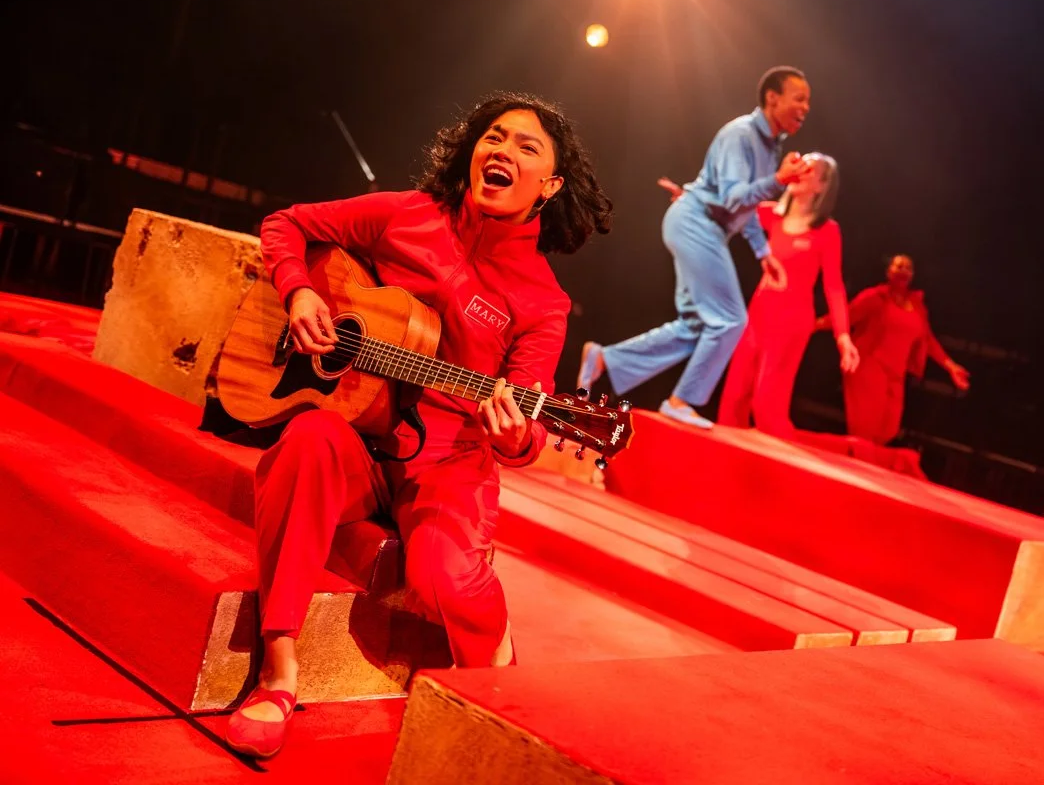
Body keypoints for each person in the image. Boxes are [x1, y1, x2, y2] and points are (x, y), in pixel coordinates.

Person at [224, 92, 612, 758]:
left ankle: (495, 662)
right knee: (306, 440)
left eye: (527, 147)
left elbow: (529, 428)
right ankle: (278, 669)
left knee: (441, 575)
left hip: (447, 462)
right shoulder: (406, 215)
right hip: (353, 433)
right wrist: (302, 291)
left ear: (548, 187)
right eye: (495, 136)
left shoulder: (542, 300)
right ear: (471, 151)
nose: (503, 151)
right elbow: (286, 224)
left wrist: (514, 432)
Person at [577, 66, 814, 429]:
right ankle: (680, 400)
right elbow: (736, 197)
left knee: (695, 326)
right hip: (695, 223)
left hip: (704, 228)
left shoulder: (770, 145)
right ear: (773, 98)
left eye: (807, 101)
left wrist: (763, 253)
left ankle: (605, 359)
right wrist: (778, 180)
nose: (806, 107)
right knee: (730, 318)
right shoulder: (741, 135)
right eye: (799, 98)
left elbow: (746, 209)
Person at [716, 153, 859, 437]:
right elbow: (728, 209)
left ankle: (775, 471)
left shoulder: (826, 231)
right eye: (798, 165)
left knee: (766, 405)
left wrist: (843, 337)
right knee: (734, 398)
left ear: (821, 186)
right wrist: (688, 201)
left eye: (809, 170)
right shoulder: (771, 215)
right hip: (758, 314)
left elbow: (833, 285)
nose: (800, 171)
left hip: (792, 322)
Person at [818, 254, 970, 445]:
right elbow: (846, 316)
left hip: (896, 374)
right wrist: (814, 324)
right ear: (888, 272)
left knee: (888, 430)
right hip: (868, 365)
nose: (903, 270)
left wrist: (951, 366)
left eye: (908, 267)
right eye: (899, 266)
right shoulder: (875, 297)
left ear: (913, 275)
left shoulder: (916, 306)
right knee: (865, 429)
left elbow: (928, 340)